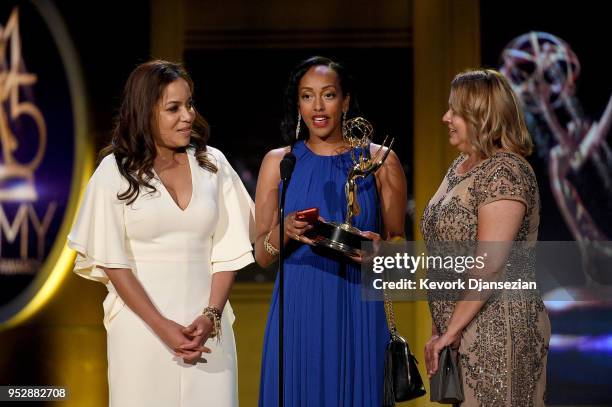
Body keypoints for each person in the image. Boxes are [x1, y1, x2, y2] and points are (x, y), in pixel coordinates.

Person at [67, 60, 254, 407]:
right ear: (145, 112)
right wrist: (161, 326)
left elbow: (230, 250)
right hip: (141, 329)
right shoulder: (115, 171)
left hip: (207, 331)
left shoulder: (212, 164)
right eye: (173, 108)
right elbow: (112, 262)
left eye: (189, 104)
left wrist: (210, 315)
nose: (188, 116)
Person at [255, 56, 408, 406]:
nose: (318, 106)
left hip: (359, 308)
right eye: (308, 96)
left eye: (328, 95)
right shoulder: (278, 162)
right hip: (298, 312)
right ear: (298, 104)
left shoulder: (381, 161)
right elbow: (262, 256)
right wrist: (287, 230)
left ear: (346, 100)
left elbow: (399, 260)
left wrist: (378, 252)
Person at [422, 69, 550, 406]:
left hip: (499, 331)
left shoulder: (506, 171)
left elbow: (489, 265)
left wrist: (450, 330)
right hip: (461, 329)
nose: (446, 117)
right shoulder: (460, 166)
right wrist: (444, 328)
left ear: (483, 117)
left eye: (456, 112)